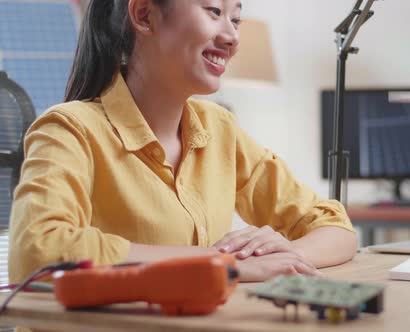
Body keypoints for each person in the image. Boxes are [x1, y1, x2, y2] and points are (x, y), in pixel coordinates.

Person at [8, 0, 356, 283]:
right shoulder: (69, 129)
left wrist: (280, 253)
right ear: (144, 14)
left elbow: (335, 229)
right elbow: (39, 251)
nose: (232, 36)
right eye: (214, 12)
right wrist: (221, 263)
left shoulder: (219, 128)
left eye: (236, 19)